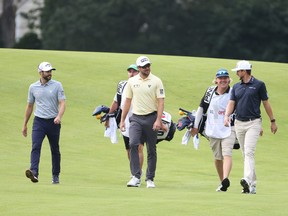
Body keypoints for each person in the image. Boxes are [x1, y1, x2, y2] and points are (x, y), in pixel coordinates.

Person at [224, 60, 278, 194]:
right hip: (238, 123)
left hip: (254, 123)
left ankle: (247, 180)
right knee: (245, 154)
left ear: (244, 71)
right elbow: (231, 103)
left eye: (238, 71)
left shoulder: (259, 85)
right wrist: (226, 116)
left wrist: (272, 121)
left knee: (249, 152)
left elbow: (266, 103)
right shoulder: (236, 87)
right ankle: (252, 185)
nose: (237, 73)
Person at [120, 56, 165, 188]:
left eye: (148, 66)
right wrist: (122, 120)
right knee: (133, 144)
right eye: (144, 66)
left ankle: (150, 179)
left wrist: (158, 120)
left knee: (151, 149)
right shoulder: (132, 81)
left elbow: (161, 102)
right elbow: (127, 101)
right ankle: (135, 176)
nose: (147, 68)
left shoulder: (157, 81)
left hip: (151, 117)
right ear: (139, 68)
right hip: (136, 118)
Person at [191, 69, 236, 192]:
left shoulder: (233, 92)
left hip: (229, 128)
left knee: (227, 153)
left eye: (225, 78)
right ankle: (222, 182)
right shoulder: (210, 91)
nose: (223, 80)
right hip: (213, 128)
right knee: (218, 157)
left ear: (229, 79)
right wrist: (195, 126)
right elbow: (201, 108)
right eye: (220, 78)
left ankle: (226, 178)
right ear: (216, 80)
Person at [22, 62, 66, 184]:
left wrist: (59, 116)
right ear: (40, 72)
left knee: (55, 149)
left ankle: (55, 175)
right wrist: (25, 124)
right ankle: (34, 173)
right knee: (36, 146)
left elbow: (62, 103)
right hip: (39, 122)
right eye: (47, 71)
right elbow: (30, 106)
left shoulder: (57, 85)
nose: (50, 73)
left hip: (53, 122)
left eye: (50, 71)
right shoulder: (33, 87)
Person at [104, 64, 145, 175]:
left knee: (139, 147)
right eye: (130, 71)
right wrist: (108, 116)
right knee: (129, 149)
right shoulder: (122, 86)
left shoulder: (143, 86)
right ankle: (134, 171)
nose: (131, 74)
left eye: (134, 71)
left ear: (139, 72)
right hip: (125, 121)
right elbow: (116, 102)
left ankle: (138, 173)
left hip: (140, 119)